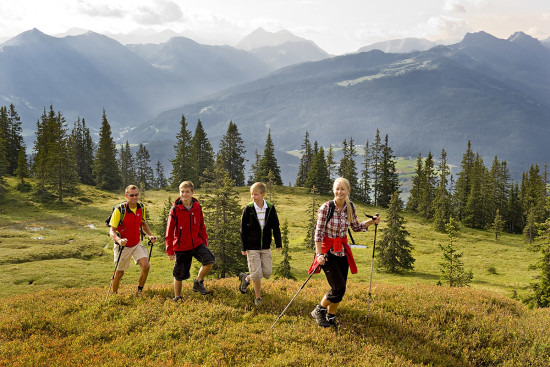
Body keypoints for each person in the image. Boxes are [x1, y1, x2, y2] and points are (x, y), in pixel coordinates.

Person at [309, 177, 380, 328]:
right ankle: (319, 310)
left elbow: (355, 226)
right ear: (333, 190)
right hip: (327, 251)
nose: (339, 192)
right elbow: (318, 233)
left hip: (342, 251)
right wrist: (319, 255)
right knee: (338, 288)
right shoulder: (326, 208)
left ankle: (331, 317)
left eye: (343, 189)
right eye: (337, 189)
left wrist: (371, 222)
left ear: (348, 191)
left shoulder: (350, 207)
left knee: (340, 290)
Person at [165, 181, 215, 300]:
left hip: (197, 243)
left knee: (209, 260)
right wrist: (169, 250)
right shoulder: (175, 209)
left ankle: (198, 282)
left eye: (187, 192)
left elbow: (202, 225)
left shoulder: (197, 206)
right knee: (179, 274)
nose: (185, 194)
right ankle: (177, 297)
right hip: (181, 247)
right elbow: (169, 231)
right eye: (182, 192)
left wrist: (204, 241)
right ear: (179, 192)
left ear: (192, 193)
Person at [238, 182, 282, 306]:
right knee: (257, 274)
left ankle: (246, 278)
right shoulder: (249, 208)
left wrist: (278, 242)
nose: (253, 196)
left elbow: (276, 227)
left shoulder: (270, 208)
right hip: (252, 247)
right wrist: (244, 246)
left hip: (266, 246)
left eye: (256, 194)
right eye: (252, 194)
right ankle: (258, 297)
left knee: (267, 273)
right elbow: (242, 229)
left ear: (263, 194)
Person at [109, 185, 157, 295]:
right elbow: (112, 231)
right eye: (132, 195)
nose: (134, 197)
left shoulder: (141, 207)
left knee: (146, 266)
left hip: (136, 243)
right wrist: (119, 239)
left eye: (136, 195)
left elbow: (143, 223)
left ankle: (139, 291)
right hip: (122, 246)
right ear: (126, 195)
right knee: (119, 273)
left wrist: (149, 235)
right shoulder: (119, 210)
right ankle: (114, 294)